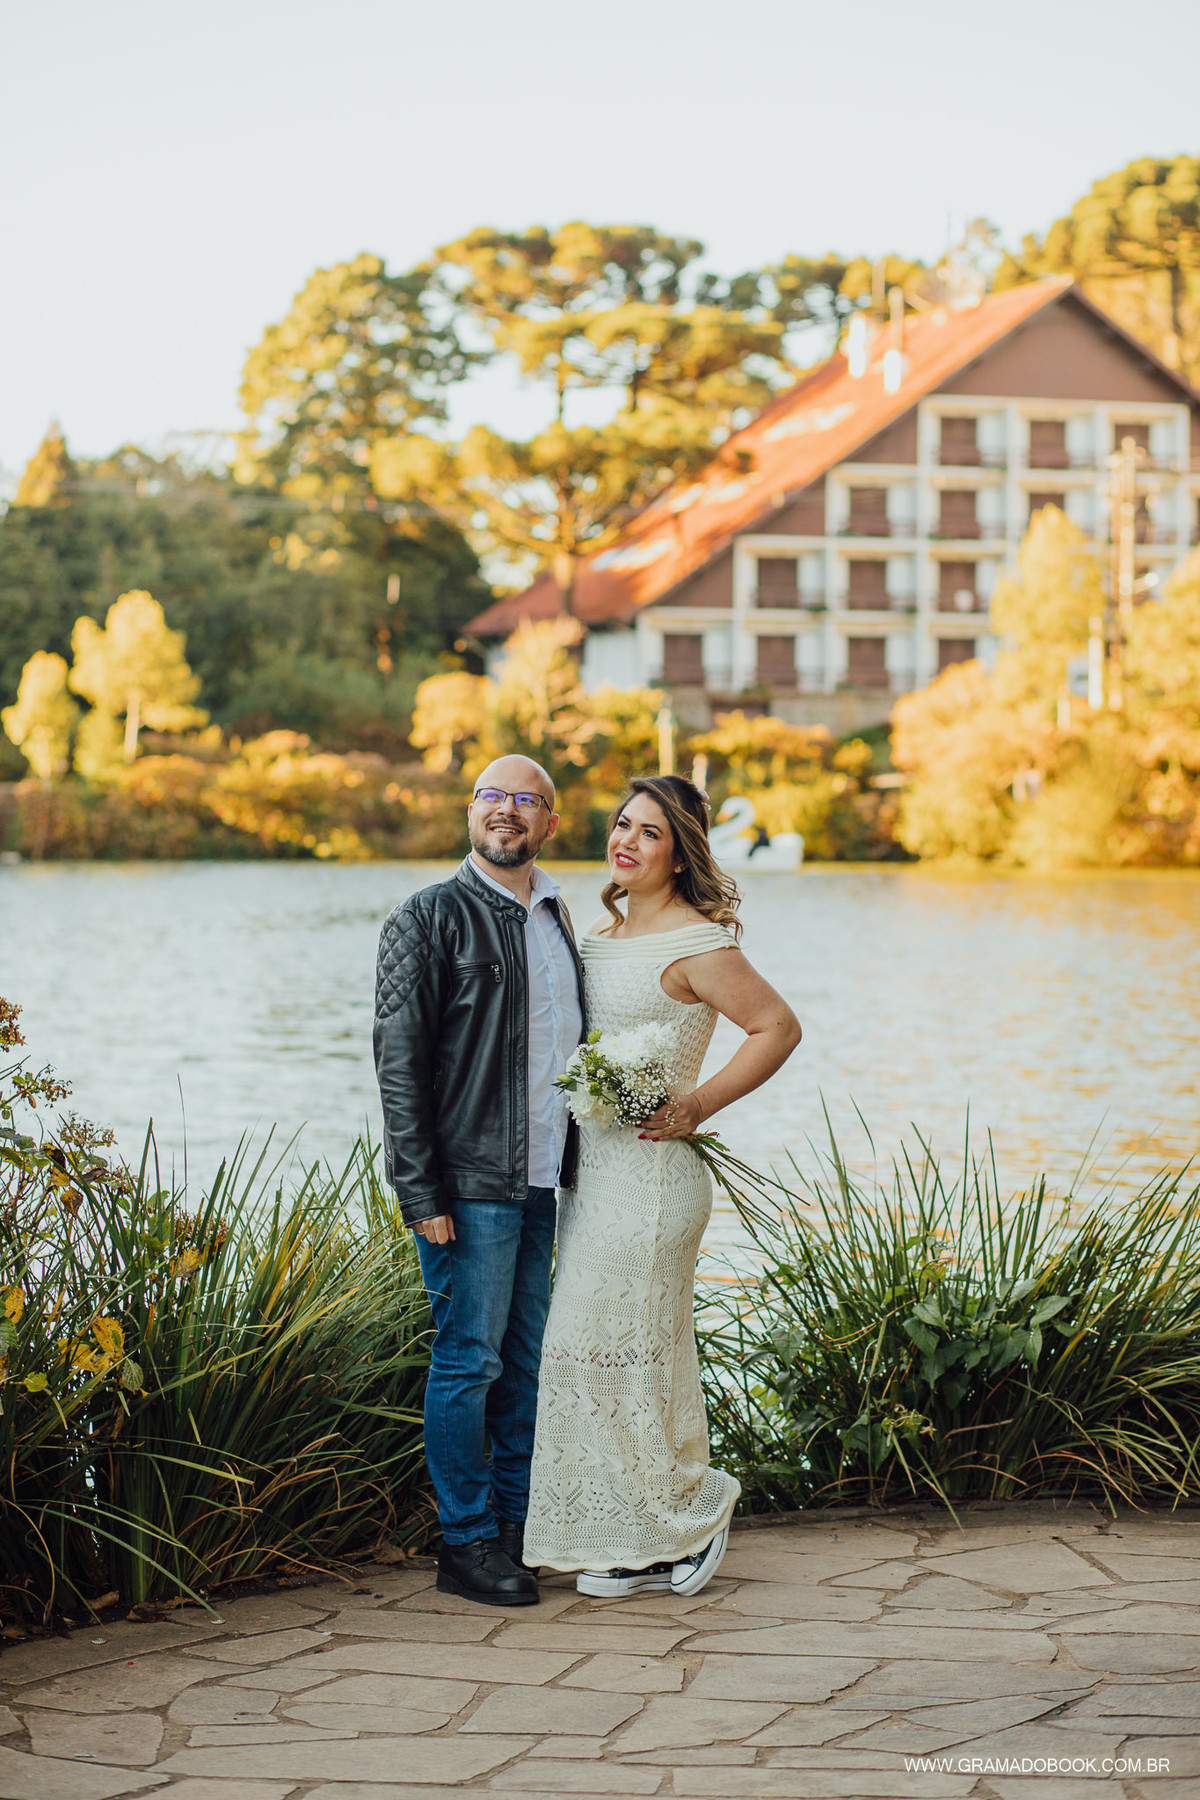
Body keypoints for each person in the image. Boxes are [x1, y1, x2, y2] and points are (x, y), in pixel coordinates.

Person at [524, 774, 801, 1597]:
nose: (626, 841)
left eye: (648, 833)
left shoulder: (696, 943)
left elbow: (777, 1026)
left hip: (652, 1184)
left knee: (624, 1355)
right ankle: (628, 1536)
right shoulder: (597, 939)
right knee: (592, 1355)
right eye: (620, 825)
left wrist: (698, 1103)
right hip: (593, 1180)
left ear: (680, 854)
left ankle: (691, 1519)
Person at [374, 754, 584, 1607]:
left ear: (550, 822)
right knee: (468, 1362)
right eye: (493, 797)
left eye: (525, 801)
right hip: (470, 1187)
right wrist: (420, 1192)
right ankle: (464, 1545)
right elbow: (398, 1065)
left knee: (526, 1366)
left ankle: (513, 1532)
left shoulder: (560, 918)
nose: (507, 812)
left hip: (544, 1182)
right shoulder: (426, 918)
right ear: (470, 811)